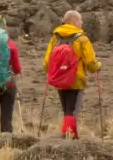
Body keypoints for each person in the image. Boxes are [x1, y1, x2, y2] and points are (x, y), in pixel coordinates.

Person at [43, 10, 100, 138]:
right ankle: (69, 137)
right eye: (80, 20)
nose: (82, 22)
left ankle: (70, 135)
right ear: (73, 21)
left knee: (66, 110)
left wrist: (52, 72)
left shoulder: (55, 38)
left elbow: (46, 62)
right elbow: (90, 62)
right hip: (76, 79)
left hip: (59, 80)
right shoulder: (82, 39)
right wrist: (97, 67)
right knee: (72, 110)